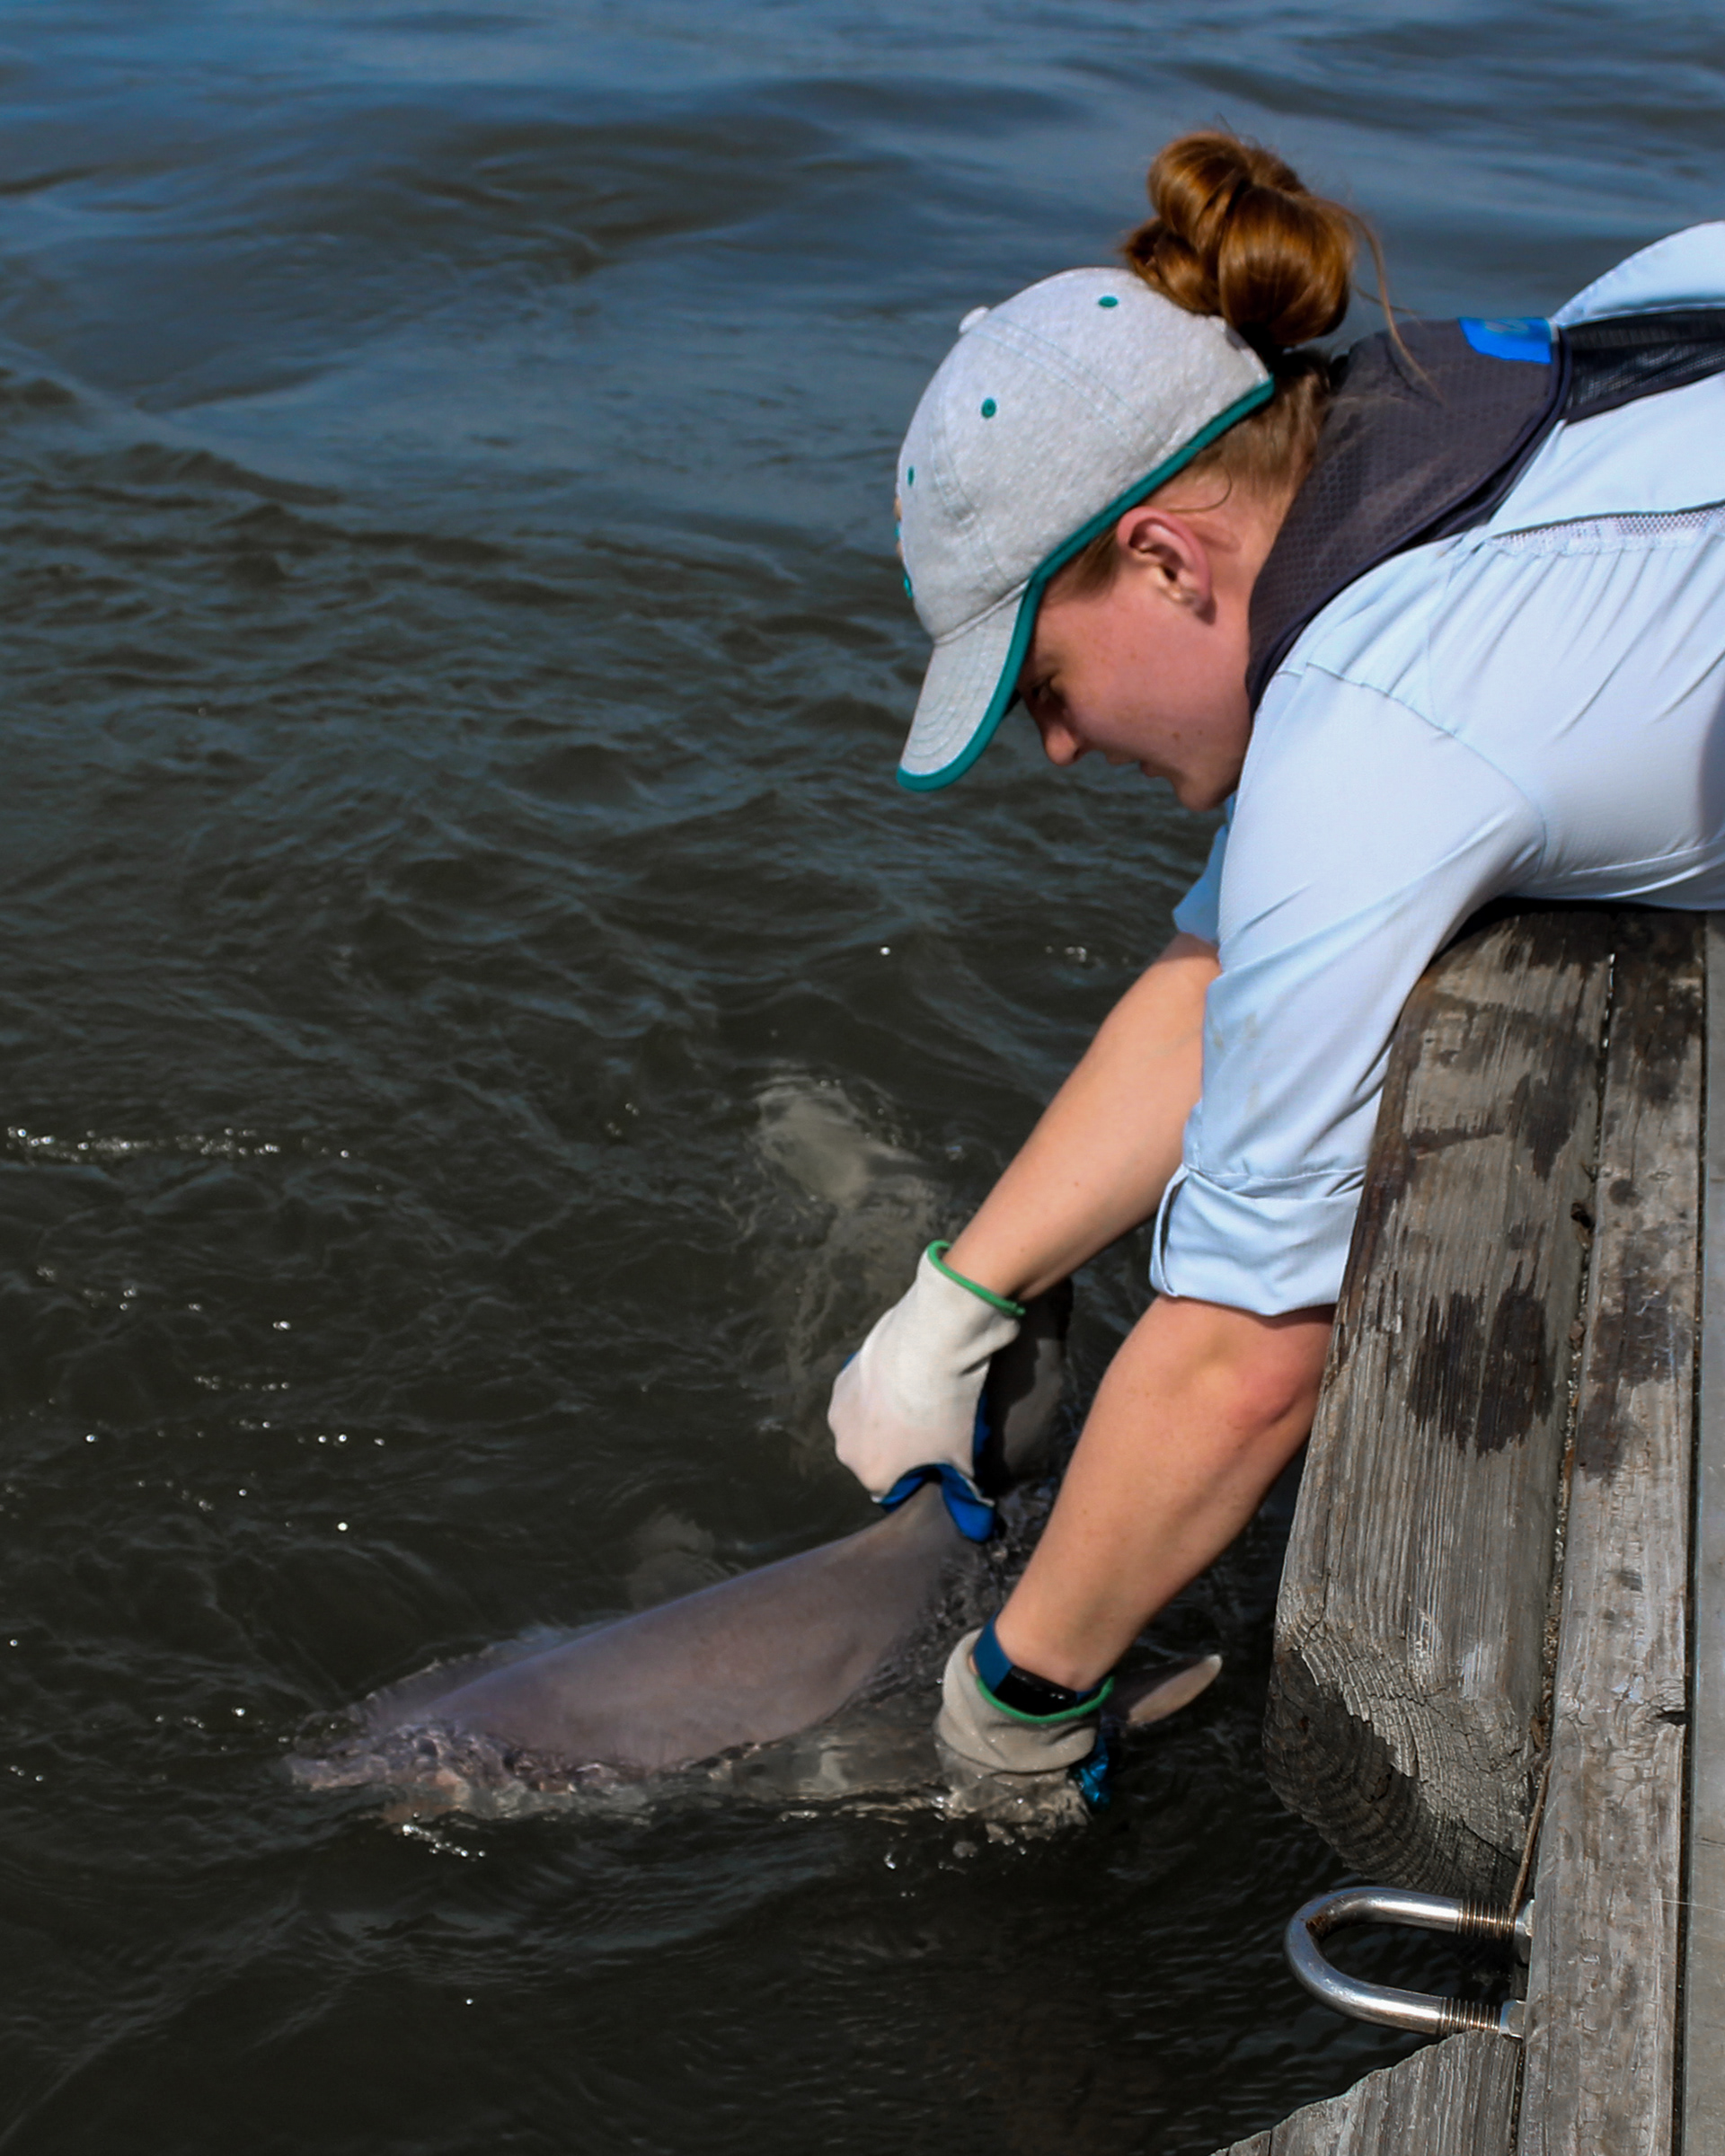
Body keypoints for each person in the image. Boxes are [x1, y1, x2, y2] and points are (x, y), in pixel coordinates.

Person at [827, 129, 1725, 1797]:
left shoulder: (1383, 729)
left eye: (1045, 686)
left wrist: (1023, 1694)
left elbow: (1245, 1356)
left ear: (1165, 558)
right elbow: (1230, 960)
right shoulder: (1519, 390)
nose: (1063, 750)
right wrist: (968, 1292)